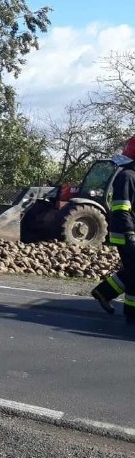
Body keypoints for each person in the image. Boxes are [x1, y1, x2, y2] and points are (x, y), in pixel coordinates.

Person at [91, 136, 135, 325]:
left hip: (129, 232)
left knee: (133, 271)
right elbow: (121, 210)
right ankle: (128, 311)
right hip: (125, 234)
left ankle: (107, 294)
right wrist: (130, 234)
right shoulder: (127, 177)